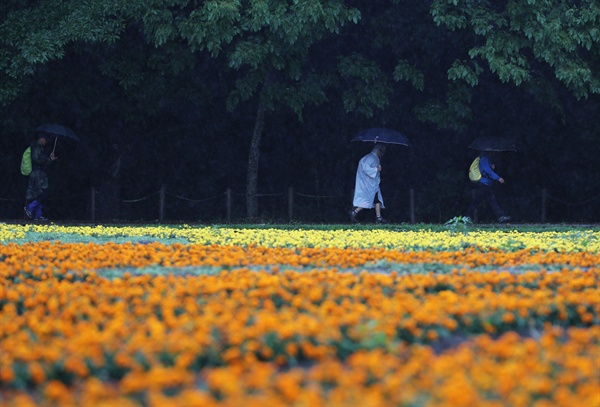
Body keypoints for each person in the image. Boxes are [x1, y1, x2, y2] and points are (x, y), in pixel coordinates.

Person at [467, 151, 511, 223]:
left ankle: (467, 216)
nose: (495, 153)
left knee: (479, 201)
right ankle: (501, 216)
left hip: (485, 184)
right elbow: (487, 171)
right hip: (483, 184)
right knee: (488, 200)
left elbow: (487, 170)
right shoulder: (484, 158)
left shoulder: (487, 159)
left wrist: (491, 167)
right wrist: (498, 178)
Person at [350, 143, 388, 223]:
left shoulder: (374, 158)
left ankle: (378, 217)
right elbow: (366, 168)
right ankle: (355, 212)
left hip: (373, 184)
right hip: (368, 184)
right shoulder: (370, 158)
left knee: (376, 199)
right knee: (367, 200)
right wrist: (376, 170)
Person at [24, 133, 57, 220]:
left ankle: (38, 215)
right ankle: (30, 207)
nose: (46, 142)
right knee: (41, 193)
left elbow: (42, 160)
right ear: (41, 138)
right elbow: (38, 160)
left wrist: (49, 159)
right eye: (45, 140)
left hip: (41, 174)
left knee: (43, 193)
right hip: (37, 174)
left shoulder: (39, 148)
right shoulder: (36, 147)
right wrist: (49, 159)